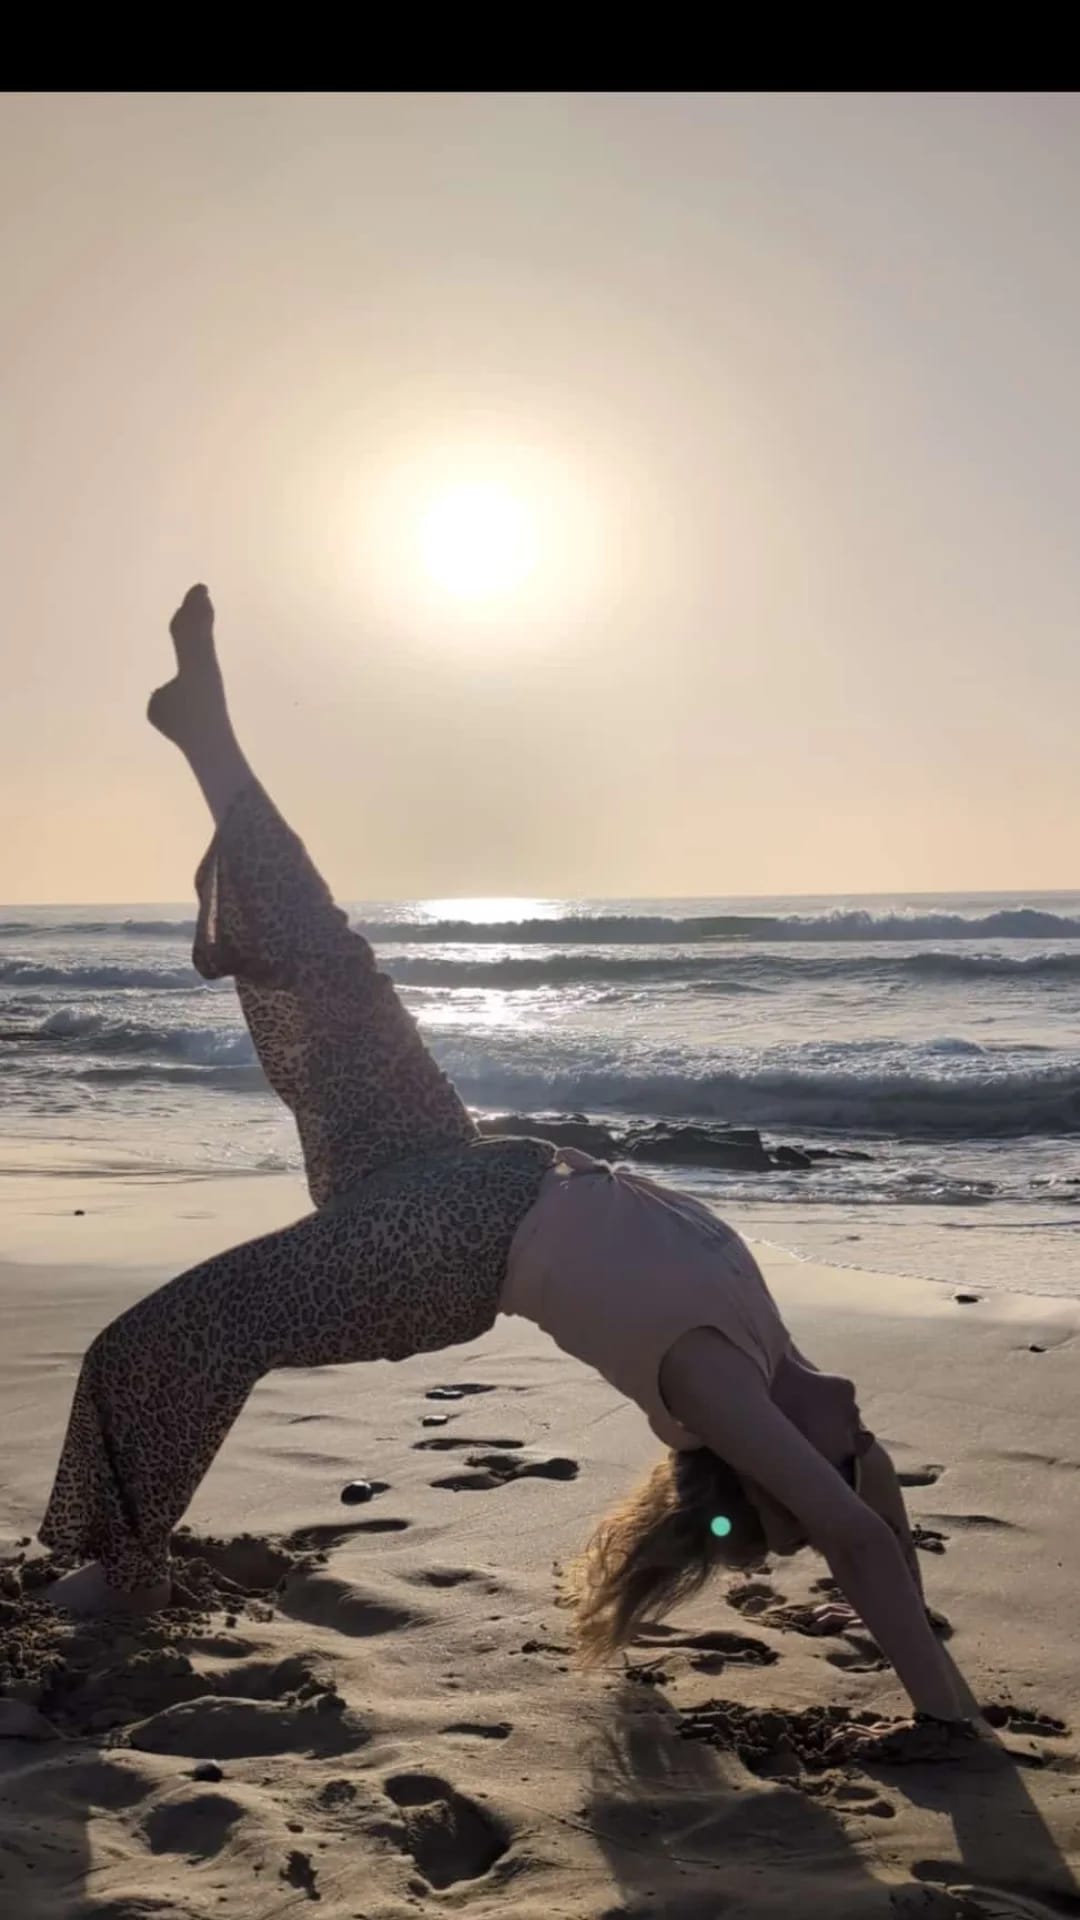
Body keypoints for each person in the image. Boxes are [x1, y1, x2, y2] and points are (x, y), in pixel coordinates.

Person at [39, 586, 970, 1744]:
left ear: (776, 1471)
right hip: (456, 1158)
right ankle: (205, 732)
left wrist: (948, 1718)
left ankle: (119, 1571)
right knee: (332, 962)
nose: (867, 1436)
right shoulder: (776, 1353)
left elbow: (860, 1532)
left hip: (446, 1249)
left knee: (175, 1334)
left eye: (842, 1455)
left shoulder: (716, 1387)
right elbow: (870, 1495)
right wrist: (903, 1588)